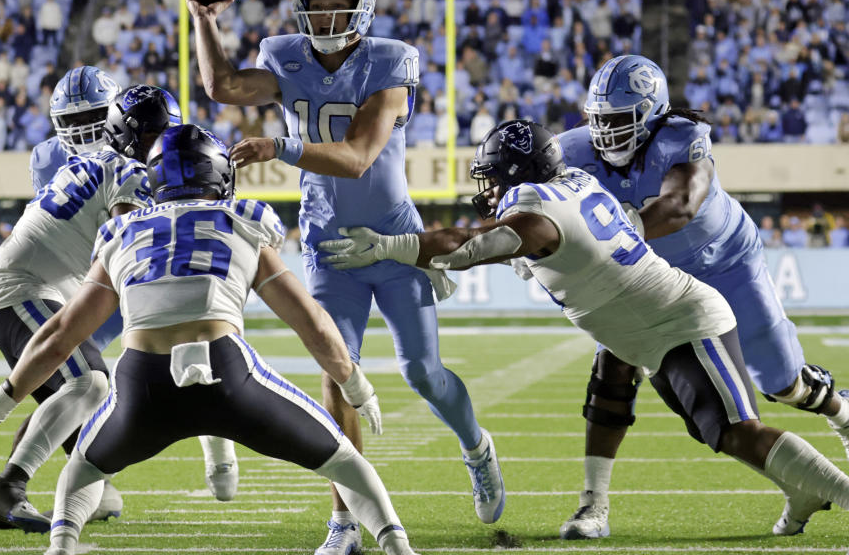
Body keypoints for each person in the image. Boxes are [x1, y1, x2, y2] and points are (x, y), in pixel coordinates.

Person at [319, 118, 849, 539]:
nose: (488, 185)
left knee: (739, 430)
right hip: (644, 330)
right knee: (714, 432)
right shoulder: (573, 186)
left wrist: (393, 248)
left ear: (518, 174)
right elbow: (540, 248)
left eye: (494, 174)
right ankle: (800, 492)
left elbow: (476, 241)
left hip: (680, 322)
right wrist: (435, 264)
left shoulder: (534, 214)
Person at [0, 125, 420, 555]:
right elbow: (312, 323)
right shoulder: (244, 220)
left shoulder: (121, 232)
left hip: (142, 386)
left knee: (81, 473)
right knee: (345, 462)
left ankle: (62, 548)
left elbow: (60, 335)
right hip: (231, 378)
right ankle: (398, 547)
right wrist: (356, 386)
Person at [187, 0, 504, 554]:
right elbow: (223, 86)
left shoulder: (390, 62)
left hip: (393, 238)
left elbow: (359, 158)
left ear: (364, 8)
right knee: (337, 374)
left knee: (423, 373)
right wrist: (205, 17)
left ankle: (476, 448)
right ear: (301, 6)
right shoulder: (284, 55)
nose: (328, 15)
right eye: (318, 3)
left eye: (340, 4)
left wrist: (280, 147)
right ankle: (345, 520)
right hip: (329, 241)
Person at [554, 54, 849, 538]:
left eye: (619, 121)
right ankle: (593, 504)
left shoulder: (681, 137)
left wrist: (608, 240)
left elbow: (679, 206)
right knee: (614, 364)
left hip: (726, 264)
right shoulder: (571, 151)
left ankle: (841, 412)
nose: (605, 133)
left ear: (651, 115)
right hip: (654, 274)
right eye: (599, 120)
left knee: (781, 383)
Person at [0, 84, 178, 533]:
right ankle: (7, 490)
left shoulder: (92, 162)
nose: (164, 145)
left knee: (87, 392)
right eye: (157, 135)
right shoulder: (131, 174)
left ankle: (79, 484)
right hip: (21, 291)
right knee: (90, 382)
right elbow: (122, 249)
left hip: (29, 288)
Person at [29, 71, 240, 502]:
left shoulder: (178, 149)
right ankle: (23, 480)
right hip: (101, 278)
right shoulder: (50, 158)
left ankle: (219, 451)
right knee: (64, 374)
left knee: (200, 347)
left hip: (157, 269)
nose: (83, 131)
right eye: (72, 122)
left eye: (93, 117)